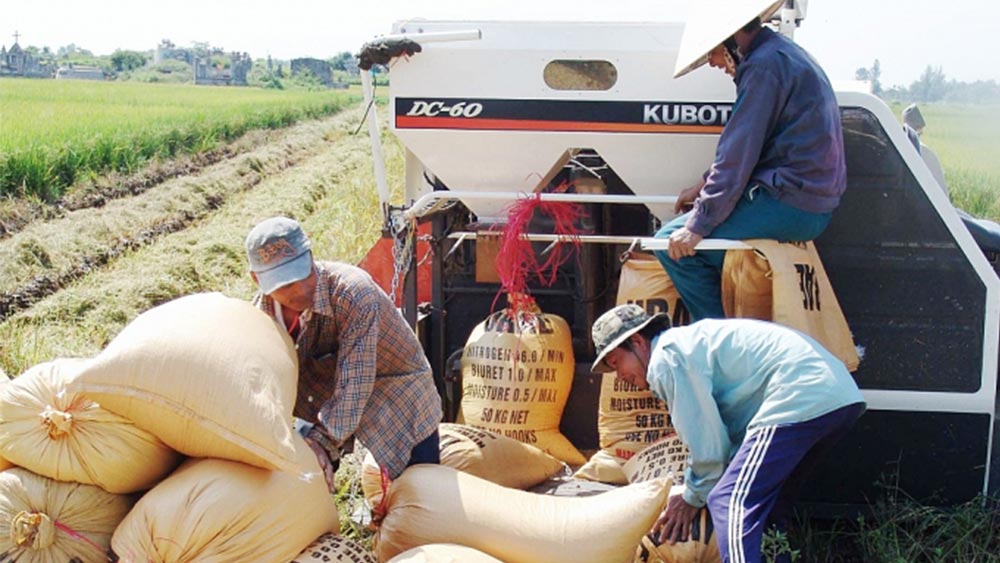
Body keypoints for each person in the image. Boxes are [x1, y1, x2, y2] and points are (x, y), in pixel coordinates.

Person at [590, 304, 865, 563]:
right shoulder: (689, 344)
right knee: (767, 511)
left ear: (637, 342)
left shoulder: (667, 358)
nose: (619, 375)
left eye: (616, 363)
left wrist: (691, 496)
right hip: (836, 396)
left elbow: (708, 444)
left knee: (729, 500)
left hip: (799, 394)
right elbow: (726, 440)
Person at [653, 0, 847, 321]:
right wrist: (702, 187)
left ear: (731, 38)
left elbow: (737, 154)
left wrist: (698, 224)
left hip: (789, 203)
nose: (713, 62)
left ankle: (717, 343)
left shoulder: (762, 67)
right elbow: (751, 147)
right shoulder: (782, 54)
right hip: (810, 201)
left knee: (670, 247)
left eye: (712, 52)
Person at [245, 216, 442, 489]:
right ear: (257, 279)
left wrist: (322, 441)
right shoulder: (260, 318)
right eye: (286, 285)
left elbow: (355, 382)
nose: (301, 290)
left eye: (305, 275)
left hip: (395, 387)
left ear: (311, 256)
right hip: (324, 392)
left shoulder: (352, 292)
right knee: (303, 474)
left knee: (421, 491)